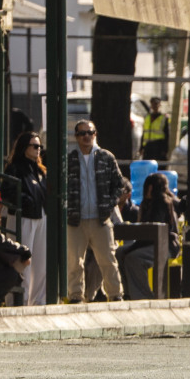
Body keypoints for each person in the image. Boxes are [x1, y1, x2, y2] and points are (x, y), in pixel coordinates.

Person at [62, 120, 127, 303]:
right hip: (75, 219)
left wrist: (109, 204)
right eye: (82, 133)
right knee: (74, 261)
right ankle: (75, 295)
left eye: (90, 132)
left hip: (101, 219)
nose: (86, 136)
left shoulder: (106, 157)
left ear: (95, 134)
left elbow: (119, 184)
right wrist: (68, 207)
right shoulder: (69, 159)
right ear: (76, 137)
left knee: (108, 259)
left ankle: (115, 294)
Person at [119, 173, 181, 301]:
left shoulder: (163, 203)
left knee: (133, 258)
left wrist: (133, 248)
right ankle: (128, 293)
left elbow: (153, 232)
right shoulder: (146, 204)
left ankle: (143, 296)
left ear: (150, 188)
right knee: (119, 253)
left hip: (165, 246)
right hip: (149, 243)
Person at [6, 133, 48, 305]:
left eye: (40, 147)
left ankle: (38, 301)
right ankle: (19, 300)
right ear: (24, 147)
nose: (38, 150)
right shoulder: (14, 168)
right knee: (23, 261)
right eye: (35, 146)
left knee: (41, 263)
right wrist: (26, 201)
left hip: (40, 217)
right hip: (23, 218)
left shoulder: (40, 170)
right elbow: (7, 191)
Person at [141, 97, 171, 163]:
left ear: (159, 105)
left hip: (158, 146)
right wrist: (141, 147)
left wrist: (165, 149)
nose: (154, 106)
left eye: (156, 104)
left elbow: (167, 134)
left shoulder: (164, 118)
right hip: (148, 147)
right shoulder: (147, 117)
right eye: (153, 104)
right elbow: (144, 133)